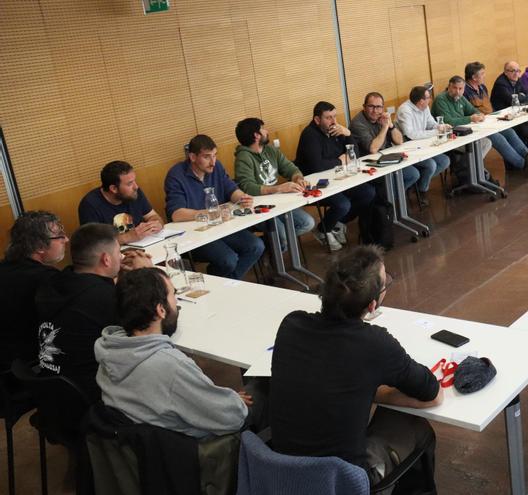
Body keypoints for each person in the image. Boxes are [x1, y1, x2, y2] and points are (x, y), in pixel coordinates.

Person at [270, 245, 442, 490]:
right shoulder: (375, 344)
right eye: (386, 283)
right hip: (343, 480)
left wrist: (367, 391)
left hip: (283, 472)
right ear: (372, 305)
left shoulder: (291, 325)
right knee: (416, 426)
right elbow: (432, 393)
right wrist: (376, 392)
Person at [94, 267, 249, 438]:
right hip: (194, 451)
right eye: (173, 295)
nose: (177, 303)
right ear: (161, 310)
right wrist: (231, 401)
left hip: (143, 447)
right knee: (261, 391)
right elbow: (233, 418)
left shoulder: (109, 349)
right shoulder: (170, 366)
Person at [34, 223, 151, 402]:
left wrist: (124, 279)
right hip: (92, 398)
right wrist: (147, 274)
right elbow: (151, 327)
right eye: (118, 252)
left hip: (51, 392)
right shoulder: (103, 298)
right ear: (106, 259)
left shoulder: (55, 283)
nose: (121, 257)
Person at [165, 134, 264, 280]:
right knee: (228, 260)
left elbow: (231, 189)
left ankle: (227, 283)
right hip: (197, 234)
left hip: (221, 226)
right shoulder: (176, 175)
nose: (213, 162)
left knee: (256, 246)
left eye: (215, 155)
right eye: (207, 157)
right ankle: (225, 282)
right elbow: (176, 214)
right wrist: (208, 213)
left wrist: (242, 197)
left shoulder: (216, 167)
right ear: (192, 157)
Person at [296, 101, 376, 251]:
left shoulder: (336, 130)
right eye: (328, 118)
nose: (333, 121)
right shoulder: (309, 136)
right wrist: (340, 160)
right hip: (316, 184)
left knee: (368, 193)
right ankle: (322, 230)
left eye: (334, 116)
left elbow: (354, 155)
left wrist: (349, 135)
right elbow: (317, 167)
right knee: (343, 204)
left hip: (339, 178)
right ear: (317, 120)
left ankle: (338, 223)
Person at [233, 117, 316, 249]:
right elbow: (247, 187)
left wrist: (298, 178)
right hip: (258, 208)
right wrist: (278, 189)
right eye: (263, 129)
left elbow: (290, 168)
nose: (267, 131)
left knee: (308, 223)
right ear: (256, 135)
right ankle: (272, 248)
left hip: (279, 202)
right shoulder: (243, 158)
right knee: (281, 235)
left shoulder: (270, 150)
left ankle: (270, 245)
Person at [0, 211, 66, 370]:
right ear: (40, 247)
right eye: (60, 236)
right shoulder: (47, 279)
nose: (66, 240)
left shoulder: (4, 268)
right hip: (28, 364)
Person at [461, 63, 528, 177]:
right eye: (482, 74)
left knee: (510, 131)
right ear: (474, 77)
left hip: (491, 120)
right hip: (479, 127)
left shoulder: (482, 87)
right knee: (499, 139)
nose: (484, 76)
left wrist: (497, 116)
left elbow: (489, 107)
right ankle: (524, 165)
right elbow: (468, 113)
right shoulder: (465, 92)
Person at [349, 93, 423, 200]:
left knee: (413, 174)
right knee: (405, 177)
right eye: (371, 106)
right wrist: (384, 128)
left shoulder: (382, 118)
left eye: (378, 107)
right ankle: (388, 202)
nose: (375, 111)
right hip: (370, 165)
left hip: (387, 159)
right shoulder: (357, 123)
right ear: (364, 107)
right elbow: (373, 148)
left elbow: (399, 141)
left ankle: (393, 201)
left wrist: (391, 126)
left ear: (382, 108)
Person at [78, 161, 164, 245]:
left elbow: (153, 216)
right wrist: (127, 237)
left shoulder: (134, 193)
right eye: (129, 183)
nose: (136, 186)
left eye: (134, 181)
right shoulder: (90, 205)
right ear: (114, 189)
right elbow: (93, 244)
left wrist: (155, 224)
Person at [394, 86, 453, 204]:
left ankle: (417, 183)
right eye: (428, 98)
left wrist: (440, 126)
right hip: (408, 149)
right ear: (421, 101)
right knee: (431, 165)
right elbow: (410, 134)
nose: (430, 99)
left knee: (444, 161)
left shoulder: (424, 107)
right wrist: (436, 132)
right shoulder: (405, 110)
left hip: (423, 145)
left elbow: (431, 123)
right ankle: (422, 191)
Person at [431, 76, 493, 168]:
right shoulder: (441, 99)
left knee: (486, 142)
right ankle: (468, 170)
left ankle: (470, 169)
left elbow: (472, 110)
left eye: (460, 89)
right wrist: (470, 119)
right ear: (449, 87)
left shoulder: (461, 98)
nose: (457, 91)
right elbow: (448, 121)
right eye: (455, 88)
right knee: (480, 144)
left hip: (461, 132)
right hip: (448, 136)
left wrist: (479, 115)